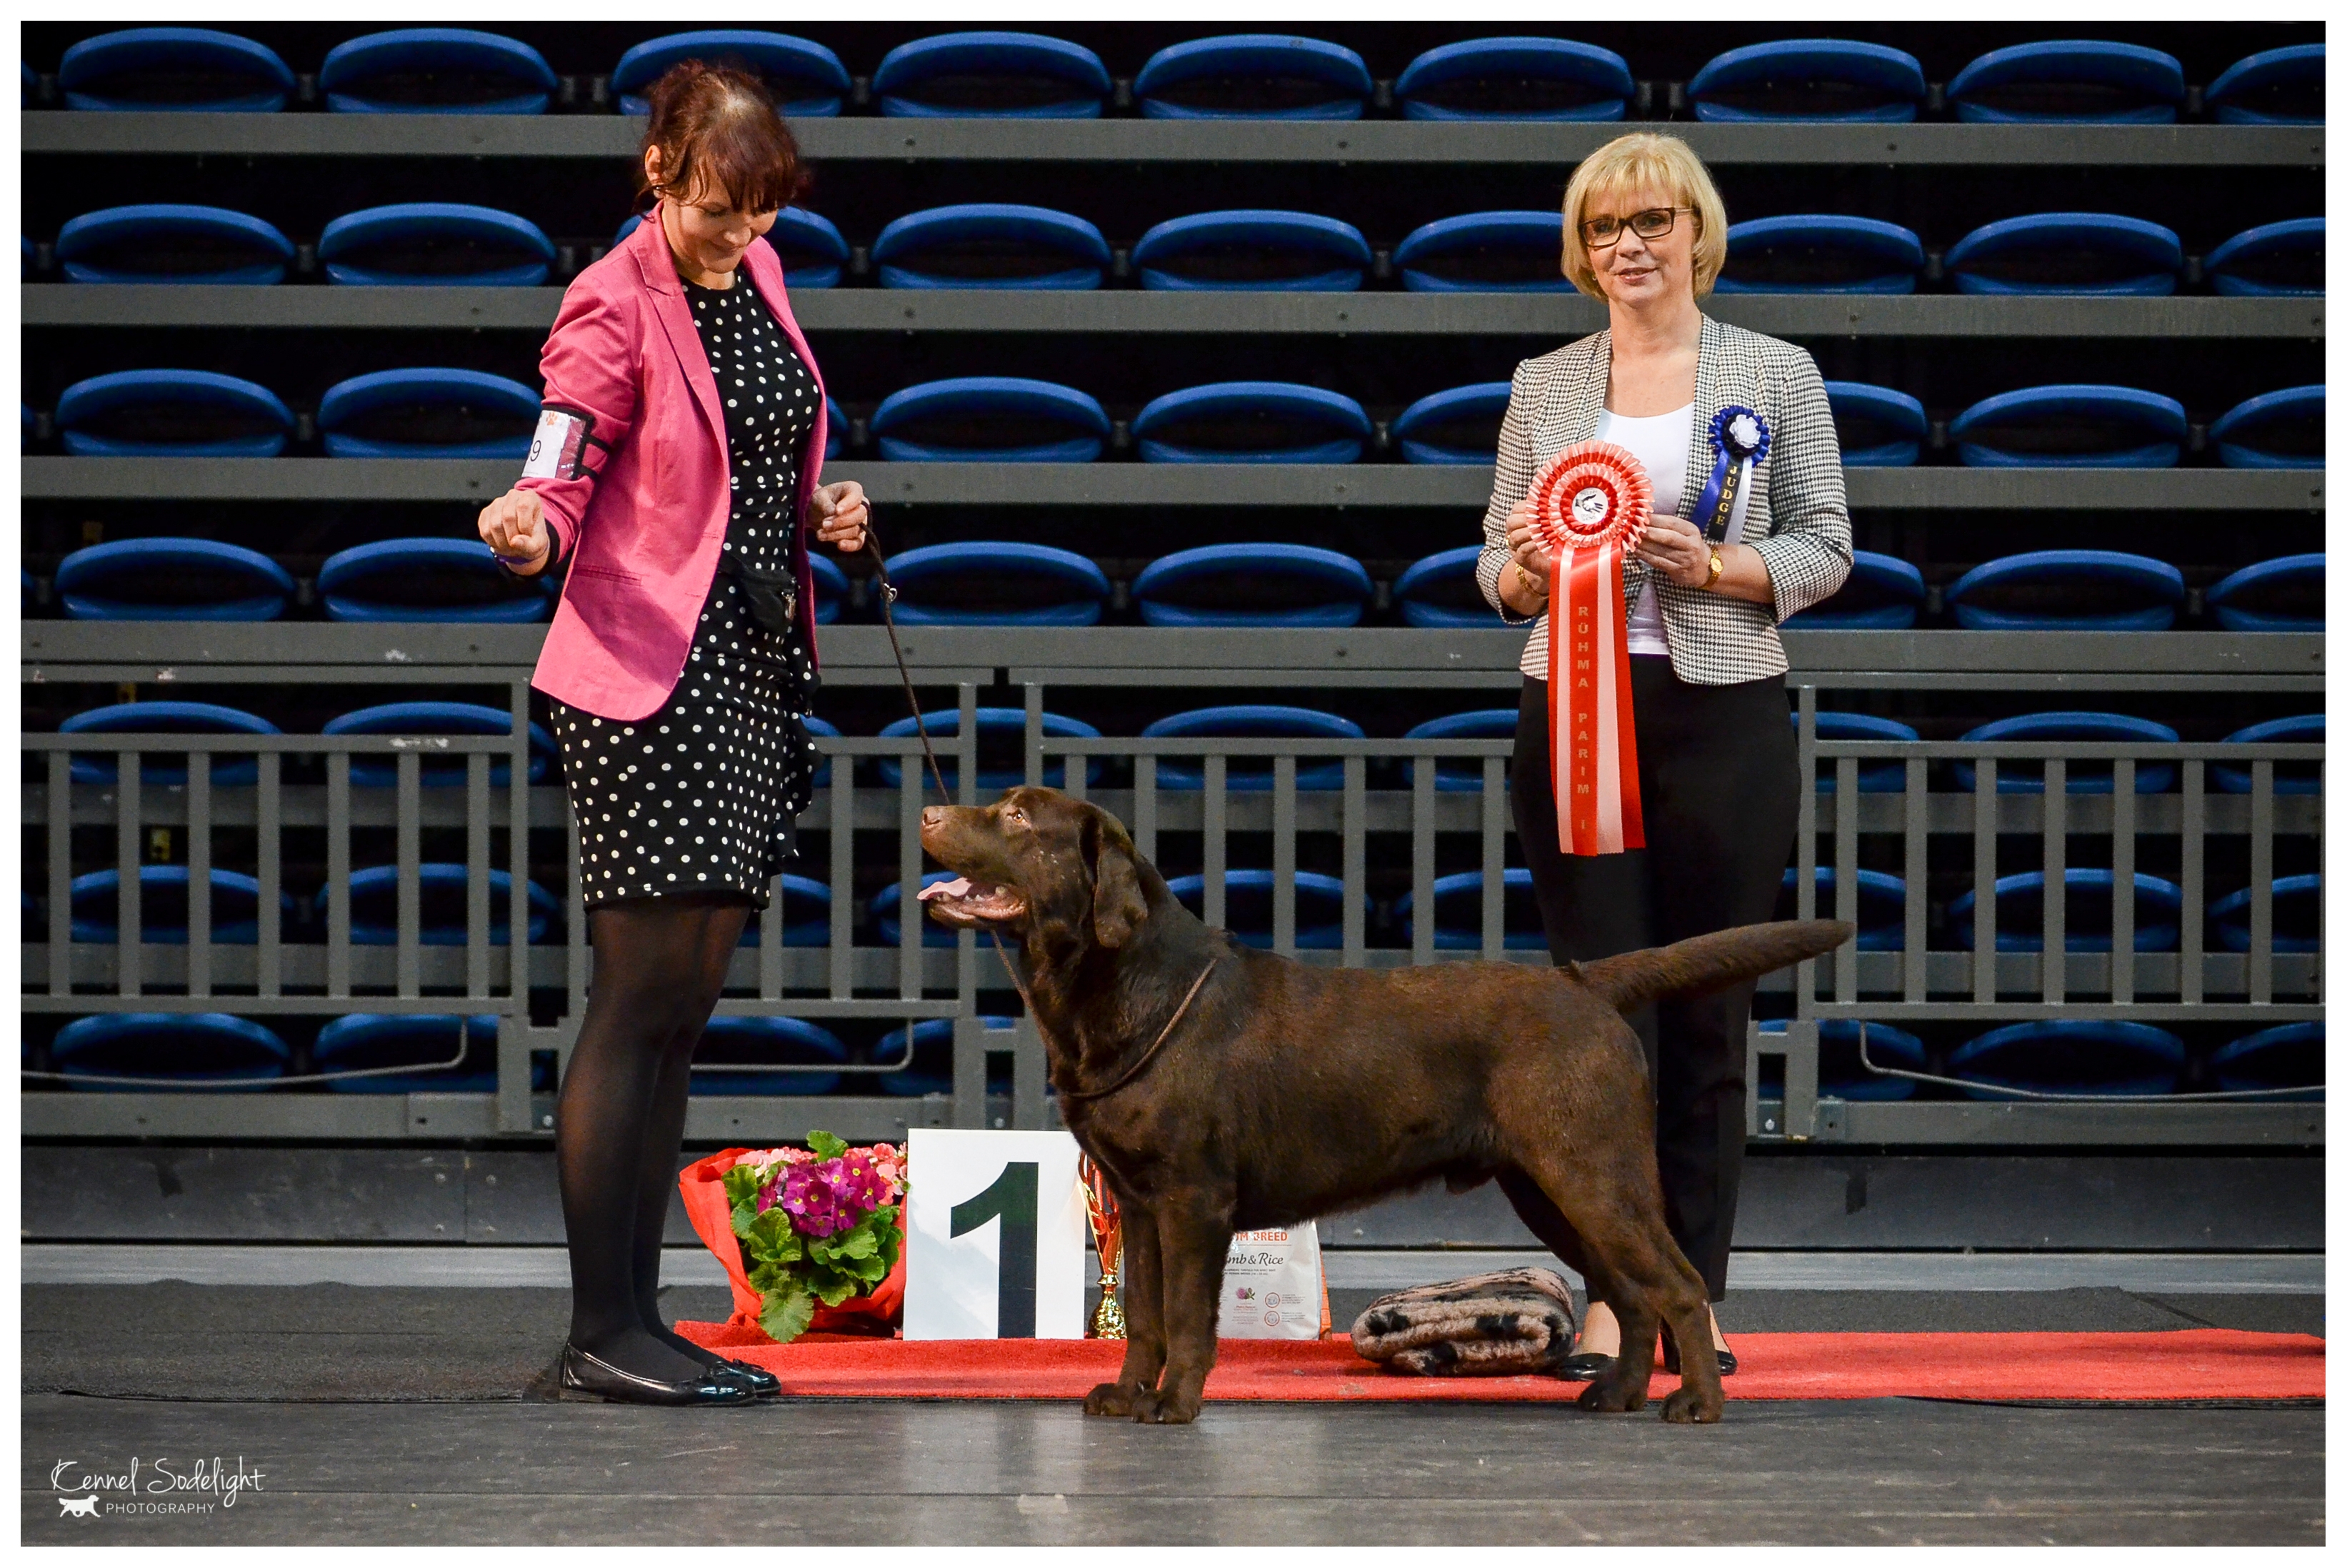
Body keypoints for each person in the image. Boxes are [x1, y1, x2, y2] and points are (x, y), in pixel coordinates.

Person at [476, 59, 868, 1407]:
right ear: (660, 174)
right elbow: (569, 451)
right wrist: (532, 520)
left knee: (683, 1013)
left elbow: (752, 448)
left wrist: (821, 506)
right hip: (653, 676)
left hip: (754, 667)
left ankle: (637, 1318)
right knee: (637, 1005)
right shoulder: (610, 298)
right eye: (719, 212)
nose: (744, 237)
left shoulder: (753, 276)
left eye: (763, 216)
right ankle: (603, 1326)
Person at [1476, 131, 1851, 1379]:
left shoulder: (1775, 372)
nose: (1625, 247)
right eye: (1601, 229)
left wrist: (1723, 567)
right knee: (1591, 1033)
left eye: (1648, 223)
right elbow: (1492, 561)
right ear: (1581, 254)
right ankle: (1608, 1298)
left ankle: (1694, 1296)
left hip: (1722, 713)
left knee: (1704, 1018)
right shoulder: (1544, 383)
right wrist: (1528, 573)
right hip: (1572, 712)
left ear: (1696, 230)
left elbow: (1826, 548)